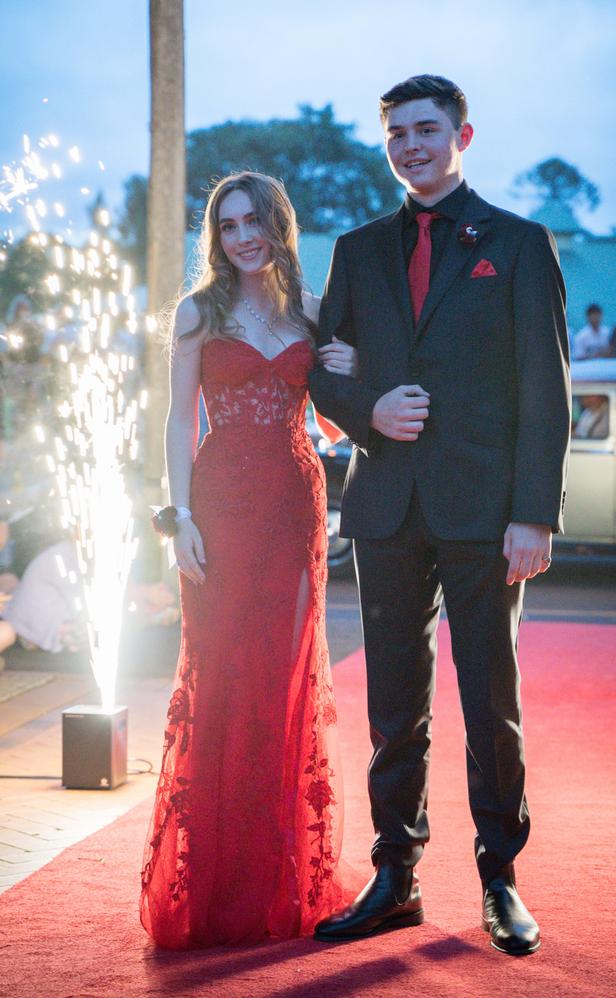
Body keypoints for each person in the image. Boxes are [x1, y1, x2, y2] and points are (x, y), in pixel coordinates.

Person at [309, 75, 571, 956]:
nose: (411, 146)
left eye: (426, 130)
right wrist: (366, 410)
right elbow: (321, 369)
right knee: (393, 703)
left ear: (462, 133)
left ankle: (500, 876)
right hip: (384, 504)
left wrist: (534, 513)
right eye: (396, 135)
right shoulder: (357, 247)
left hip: (485, 511)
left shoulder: (521, 244)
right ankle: (396, 877)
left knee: (490, 697)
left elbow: (546, 386)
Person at [139, 171, 360, 949]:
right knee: (224, 675)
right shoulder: (198, 314)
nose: (241, 237)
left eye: (253, 222)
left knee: (285, 676)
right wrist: (180, 519)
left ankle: (279, 874)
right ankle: (218, 887)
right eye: (227, 226)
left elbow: (334, 415)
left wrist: (352, 381)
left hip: (295, 504)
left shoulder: (309, 311)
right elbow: (177, 420)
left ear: (277, 224)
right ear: (216, 236)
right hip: (220, 509)